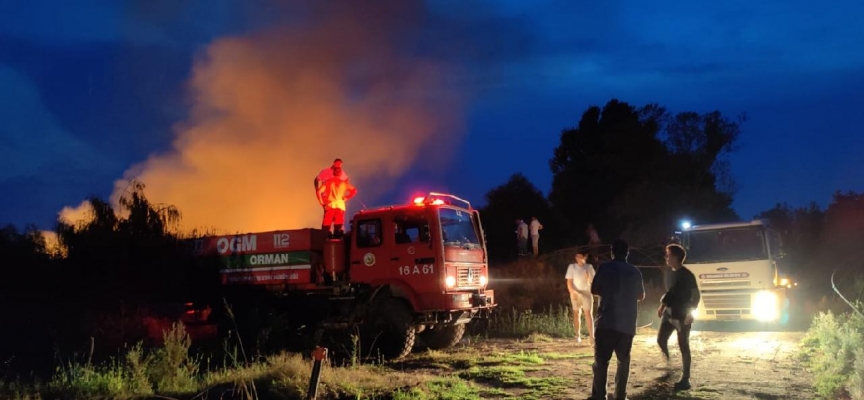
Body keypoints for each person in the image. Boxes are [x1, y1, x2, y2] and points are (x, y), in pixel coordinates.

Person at [590, 239, 645, 400]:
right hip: (627, 324)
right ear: (627, 253)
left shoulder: (604, 268)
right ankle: (620, 395)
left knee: (601, 362)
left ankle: (599, 395)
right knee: (623, 361)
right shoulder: (635, 271)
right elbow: (641, 296)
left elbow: (594, 289)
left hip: (606, 321)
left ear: (612, 252)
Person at [656, 243, 701, 391]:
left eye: (668, 255)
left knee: (683, 346)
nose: (666, 257)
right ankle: (669, 366)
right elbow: (670, 292)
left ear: (675, 257)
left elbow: (696, 295)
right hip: (669, 314)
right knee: (661, 339)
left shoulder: (687, 275)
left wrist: (691, 312)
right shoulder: (669, 273)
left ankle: (685, 379)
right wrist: (663, 305)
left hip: (682, 315)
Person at [317, 166, 357, 237]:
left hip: (330, 206)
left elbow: (319, 192)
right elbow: (354, 191)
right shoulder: (344, 183)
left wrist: (322, 203)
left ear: (333, 172)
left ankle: (325, 242)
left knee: (326, 227)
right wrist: (347, 197)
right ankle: (338, 241)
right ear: (341, 173)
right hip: (340, 206)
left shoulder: (328, 182)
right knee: (338, 228)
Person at [565, 252, 595, 345]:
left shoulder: (589, 267)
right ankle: (578, 335)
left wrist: (588, 277)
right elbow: (569, 282)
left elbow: (593, 281)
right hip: (575, 293)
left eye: (580, 256)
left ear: (585, 257)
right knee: (576, 313)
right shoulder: (572, 267)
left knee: (588, 315)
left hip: (586, 293)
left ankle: (591, 337)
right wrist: (572, 292)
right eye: (577, 256)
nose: (578, 258)